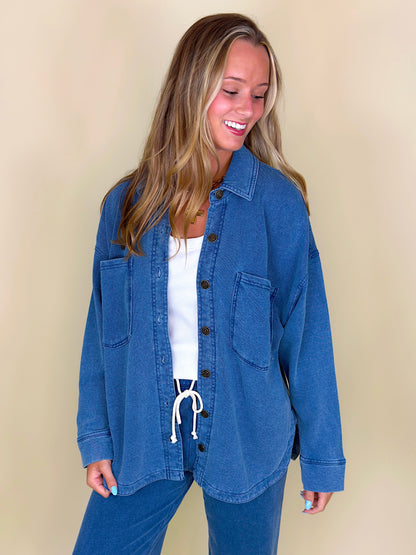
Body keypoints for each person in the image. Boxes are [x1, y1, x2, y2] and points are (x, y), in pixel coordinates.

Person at [73, 13, 345, 554]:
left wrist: (321, 456)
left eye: (260, 95)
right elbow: (101, 335)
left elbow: (307, 334)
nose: (248, 110)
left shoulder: (277, 204)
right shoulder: (126, 206)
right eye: (231, 91)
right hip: (142, 429)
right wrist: (96, 435)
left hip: (249, 431)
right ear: (191, 87)